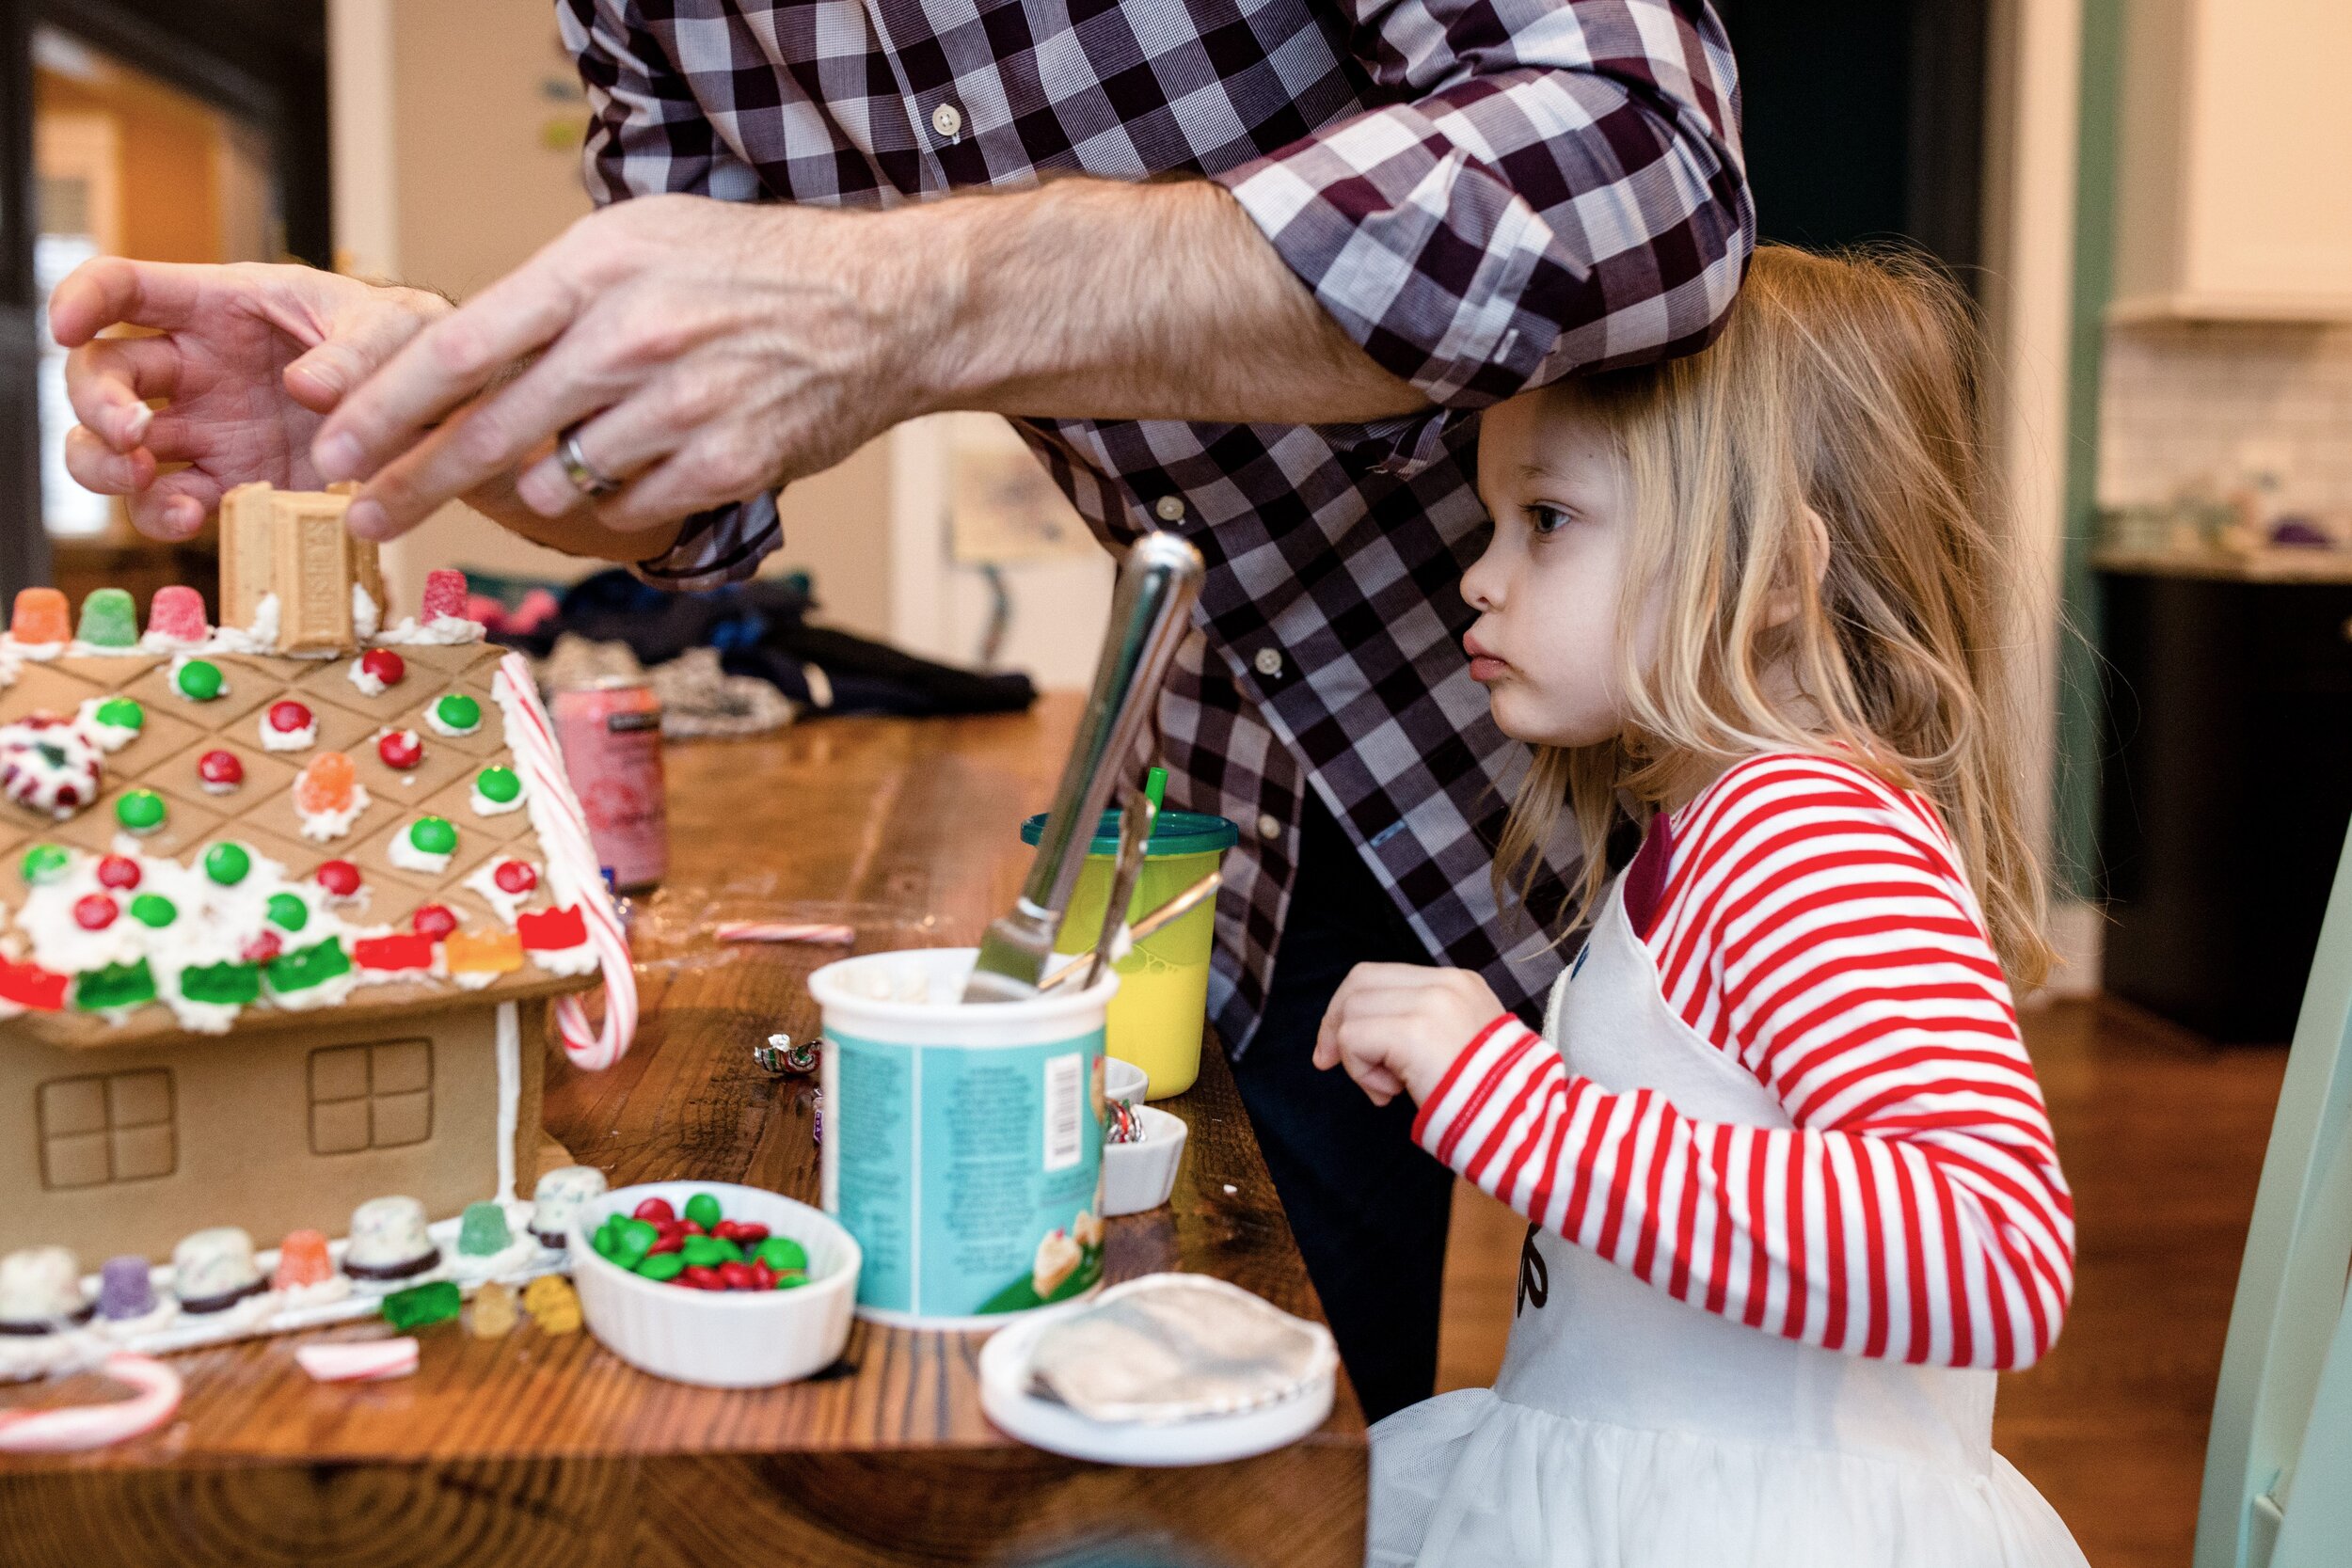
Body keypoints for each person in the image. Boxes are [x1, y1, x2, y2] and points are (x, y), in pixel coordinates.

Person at [50, 0, 1754, 1420]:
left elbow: (1636, 165)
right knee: (1320, 1435)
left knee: (1705, 1374)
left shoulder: (1786, 852)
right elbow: (690, 494)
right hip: (1254, 772)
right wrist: (447, 397)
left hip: (1665, 712)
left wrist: (920, 297)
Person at [1313, 245, 2088, 1565]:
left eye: (1545, 520)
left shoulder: (1810, 835)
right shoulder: (1710, 827)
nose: (1479, 579)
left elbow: (1990, 1245)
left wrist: (1516, 1108)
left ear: (1775, 575)